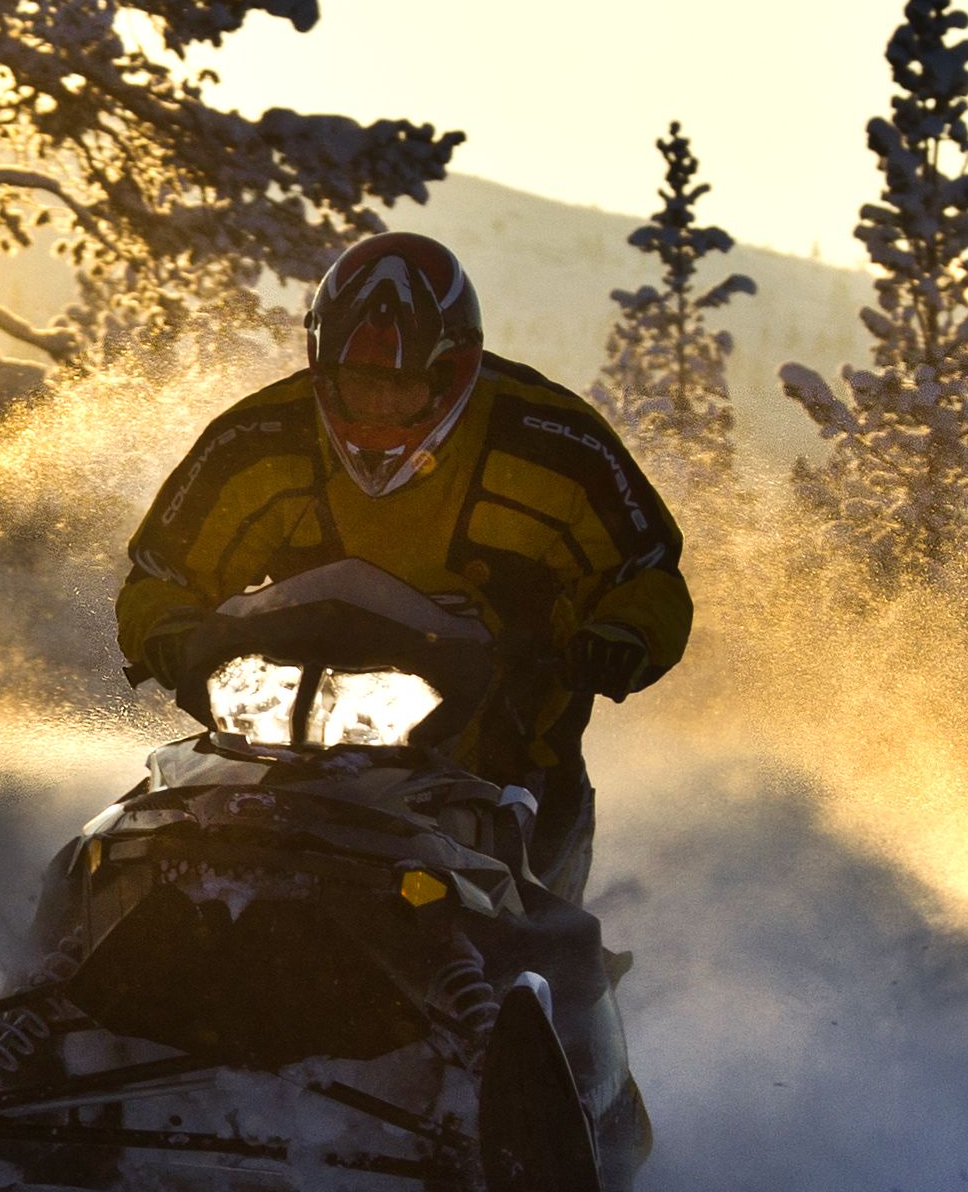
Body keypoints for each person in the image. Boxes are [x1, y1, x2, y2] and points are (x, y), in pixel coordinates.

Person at [115, 232, 692, 902]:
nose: (376, 409)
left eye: (399, 387)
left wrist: (619, 638)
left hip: (500, 755)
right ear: (320, 365)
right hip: (285, 744)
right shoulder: (258, 439)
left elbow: (645, 569)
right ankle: (74, 959)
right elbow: (161, 568)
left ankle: (533, 995)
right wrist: (169, 631)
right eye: (357, 384)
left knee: (537, 927)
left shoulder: (555, 445)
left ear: (451, 371)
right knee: (149, 833)